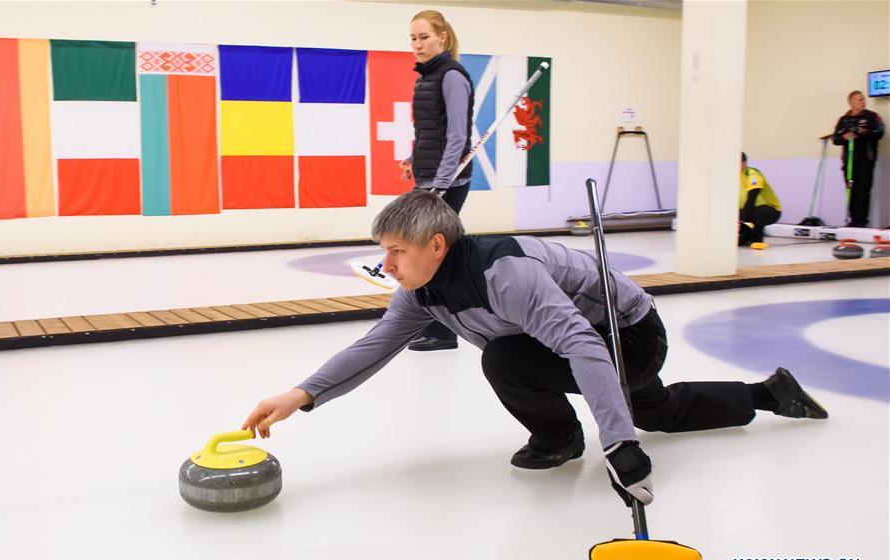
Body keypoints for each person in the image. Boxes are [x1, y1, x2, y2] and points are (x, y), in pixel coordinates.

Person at [243, 190, 829, 508]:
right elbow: (372, 347)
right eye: (384, 250)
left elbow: (584, 347)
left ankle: (566, 435)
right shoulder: (420, 291)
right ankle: (766, 393)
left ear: (438, 245)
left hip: (627, 333)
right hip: (558, 339)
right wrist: (301, 395)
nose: (386, 264)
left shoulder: (507, 275)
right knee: (646, 406)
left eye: (397, 250)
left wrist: (620, 445)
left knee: (629, 405)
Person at [399, 10, 474, 352]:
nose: (417, 44)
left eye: (424, 37)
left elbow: (457, 136)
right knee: (426, 252)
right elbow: (429, 131)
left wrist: (440, 183)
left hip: (447, 182)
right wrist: (414, 161)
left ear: (442, 37)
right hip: (429, 177)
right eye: (413, 38)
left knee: (433, 254)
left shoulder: (452, 76)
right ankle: (433, 325)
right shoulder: (424, 77)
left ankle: (445, 332)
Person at [832, 90, 885, 227]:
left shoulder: (872, 117)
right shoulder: (844, 120)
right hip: (849, 162)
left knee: (863, 191)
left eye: (863, 99)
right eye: (859, 100)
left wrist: (863, 133)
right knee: (851, 190)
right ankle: (852, 220)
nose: (863, 102)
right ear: (851, 103)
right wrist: (845, 137)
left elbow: (879, 133)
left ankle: (861, 222)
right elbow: (835, 139)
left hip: (866, 161)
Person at [739, 152, 781, 246]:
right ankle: (746, 234)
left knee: (759, 213)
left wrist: (740, 220)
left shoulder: (753, 175)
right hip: (747, 210)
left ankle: (757, 239)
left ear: (744, 163)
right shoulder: (733, 176)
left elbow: (751, 200)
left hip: (770, 210)